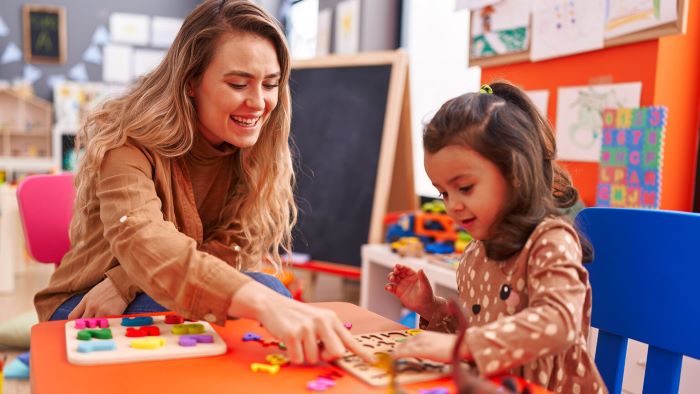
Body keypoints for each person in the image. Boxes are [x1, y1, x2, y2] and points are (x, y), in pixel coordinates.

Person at [34, 0, 371, 365]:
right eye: (238, 83)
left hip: (145, 289)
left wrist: (125, 280)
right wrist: (265, 303)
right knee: (264, 292)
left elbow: (227, 247)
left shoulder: (251, 152)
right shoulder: (127, 143)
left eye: (271, 84)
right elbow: (144, 240)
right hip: (83, 304)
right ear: (191, 82)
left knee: (261, 299)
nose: (258, 102)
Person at [385, 82, 607, 393]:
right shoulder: (477, 250)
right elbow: (479, 332)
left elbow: (559, 322)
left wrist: (462, 347)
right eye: (443, 193)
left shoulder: (550, 239)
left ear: (514, 174)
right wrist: (431, 308)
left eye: (464, 188)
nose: (453, 205)